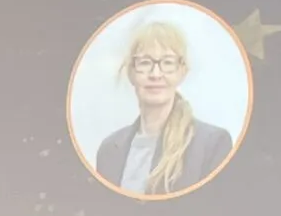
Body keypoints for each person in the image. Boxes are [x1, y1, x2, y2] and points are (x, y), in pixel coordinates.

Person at [94, 14, 237, 196]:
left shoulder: (211, 144)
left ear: (182, 72)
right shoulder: (109, 149)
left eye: (167, 62)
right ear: (131, 73)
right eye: (145, 63)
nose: (155, 74)